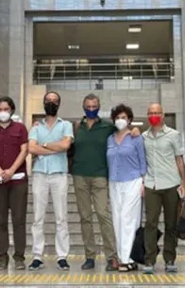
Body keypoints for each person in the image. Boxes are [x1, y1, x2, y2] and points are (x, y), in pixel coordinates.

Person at [71, 94, 119, 271]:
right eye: (88, 106)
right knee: (85, 217)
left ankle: (111, 257)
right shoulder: (77, 127)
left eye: (94, 106)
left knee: (103, 214)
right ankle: (89, 256)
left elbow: (123, 134)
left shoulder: (108, 126)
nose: (91, 109)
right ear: (83, 107)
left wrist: (134, 130)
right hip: (79, 175)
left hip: (100, 175)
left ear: (99, 107)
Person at [0, 96, 29, 271]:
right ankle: (2, 257)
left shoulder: (20, 128)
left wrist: (11, 171)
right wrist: (0, 171)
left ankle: (19, 257)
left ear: (12, 110)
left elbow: (24, 151)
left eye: (6, 109)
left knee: (19, 220)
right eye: (0, 109)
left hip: (18, 181)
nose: (3, 112)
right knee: (1, 220)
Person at [27, 91, 73, 271]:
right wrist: (55, 147)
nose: (51, 103)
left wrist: (44, 145)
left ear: (59, 104)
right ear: (43, 103)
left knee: (61, 217)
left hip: (59, 174)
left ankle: (62, 256)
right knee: (37, 218)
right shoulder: (36, 127)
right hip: (39, 174)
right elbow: (31, 148)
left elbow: (65, 145)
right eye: (48, 100)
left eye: (54, 101)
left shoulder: (66, 125)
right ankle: (37, 256)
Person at [141, 103, 185, 274]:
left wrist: (184, 183)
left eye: (156, 112)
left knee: (171, 224)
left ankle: (170, 258)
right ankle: (149, 260)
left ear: (163, 115)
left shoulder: (173, 135)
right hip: (151, 184)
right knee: (150, 223)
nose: (153, 115)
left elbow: (179, 160)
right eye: (150, 112)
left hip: (171, 184)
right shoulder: (143, 137)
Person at [106, 104, 146, 272]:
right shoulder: (110, 139)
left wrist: (143, 182)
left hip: (133, 181)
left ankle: (127, 258)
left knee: (128, 219)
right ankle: (123, 256)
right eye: (117, 118)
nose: (120, 120)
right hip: (114, 182)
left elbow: (143, 161)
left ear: (129, 120)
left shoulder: (136, 138)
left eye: (123, 117)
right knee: (117, 220)